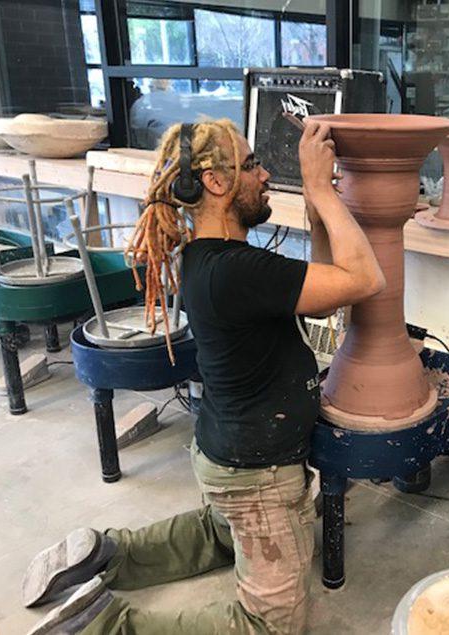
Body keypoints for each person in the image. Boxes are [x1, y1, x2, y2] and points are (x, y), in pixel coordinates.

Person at [21, 118, 385, 635]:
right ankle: (107, 625)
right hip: (256, 472)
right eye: (252, 164)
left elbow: (328, 291)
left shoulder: (211, 259)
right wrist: (319, 188)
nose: (263, 176)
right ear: (216, 181)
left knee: (221, 533)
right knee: (270, 625)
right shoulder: (238, 271)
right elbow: (366, 279)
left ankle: (105, 554)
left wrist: (317, 204)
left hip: (225, 453)